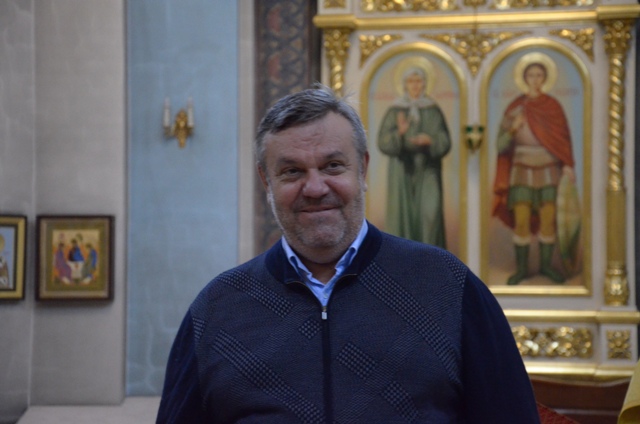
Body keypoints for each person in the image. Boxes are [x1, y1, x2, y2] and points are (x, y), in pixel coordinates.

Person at [157, 86, 540, 423]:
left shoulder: (446, 286)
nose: (315, 188)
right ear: (266, 181)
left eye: (332, 166)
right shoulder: (218, 309)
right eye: (291, 172)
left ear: (363, 169)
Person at [492, 61, 575, 286]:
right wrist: (513, 128)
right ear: (524, 78)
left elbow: (562, 140)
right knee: (521, 221)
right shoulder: (514, 108)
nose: (535, 79)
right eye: (531, 75)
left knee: (548, 220)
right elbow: (500, 145)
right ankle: (522, 269)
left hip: (549, 169)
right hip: (520, 170)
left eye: (539, 75)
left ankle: (546, 266)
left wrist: (568, 164)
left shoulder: (552, 107)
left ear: (545, 78)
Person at [377, 65, 451, 247]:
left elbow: (445, 141)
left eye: (419, 81)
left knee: (430, 216)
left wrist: (430, 140)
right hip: (402, 170)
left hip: (428, 169)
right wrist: (399, 133)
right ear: (404, 85)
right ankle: (403, 261)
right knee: (403, 219)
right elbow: (383, 142)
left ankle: (430, 261)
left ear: (425, 84)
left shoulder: (433, 110)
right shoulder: (395, 110)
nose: (415, 85)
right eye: (411, 81)